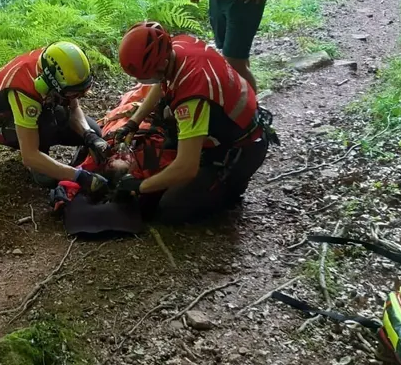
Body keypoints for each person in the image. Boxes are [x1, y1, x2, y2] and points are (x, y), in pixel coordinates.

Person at [112, 22, 277, 222]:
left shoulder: (192, 95)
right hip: (228, 119)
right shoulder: (177, 46)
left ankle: (228, 187)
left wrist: (140, 186)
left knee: (170, 207)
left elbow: (186, 167)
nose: (145, 81)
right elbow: (162, 83)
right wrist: (134, 122)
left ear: (162, 64)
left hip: (242, 148)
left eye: (146, 76)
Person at [0, 42, 110, 194]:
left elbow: (74, 108)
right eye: (74, 93)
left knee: (94, 131)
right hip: (2, 123)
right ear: (50, 84)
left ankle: (63, 162)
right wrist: (79, 177)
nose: (78, 96)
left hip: (41, 103)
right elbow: (29, 155)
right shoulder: (24, 92)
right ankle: (40, 164)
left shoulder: (58, 64)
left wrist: (90, 136)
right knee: (47, 126)